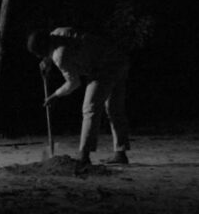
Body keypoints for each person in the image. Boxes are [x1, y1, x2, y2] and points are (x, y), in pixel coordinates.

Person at [27, 27, 131, 167]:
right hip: (119, 58)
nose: (38, 57)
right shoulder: (57, 32)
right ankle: (120, 153)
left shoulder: (60, 55)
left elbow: (74, 83)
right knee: (114, 109)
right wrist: (48, 59)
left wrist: (55, 95)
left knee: (90, 107)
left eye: (38, 54)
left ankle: (84, 156)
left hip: (104, 67)